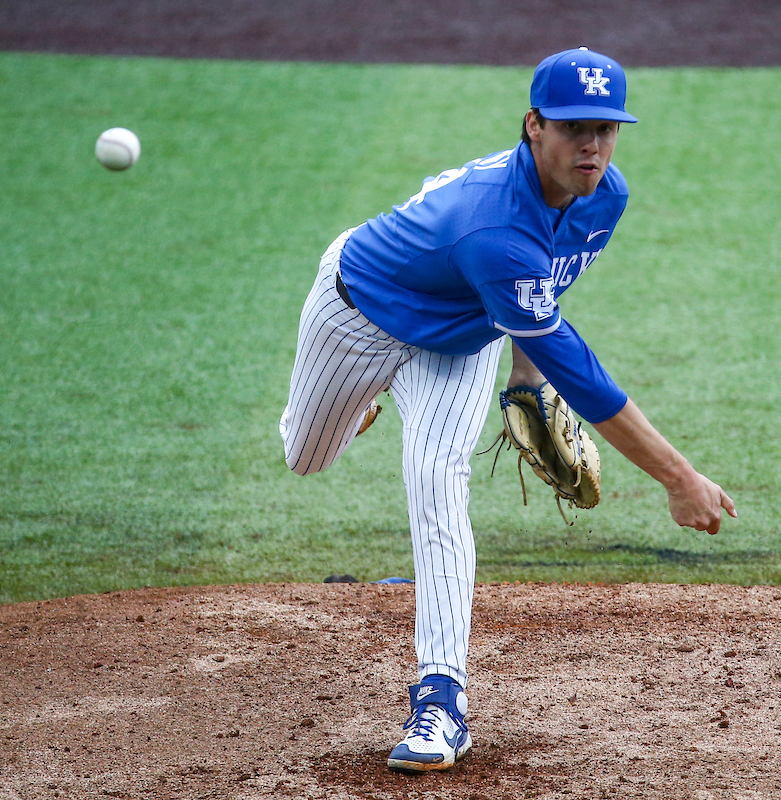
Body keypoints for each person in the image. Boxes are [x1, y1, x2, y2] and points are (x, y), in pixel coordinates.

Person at [279, 47, 737, 773]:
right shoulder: (491, 229)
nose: (593, 146)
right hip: (359, 311)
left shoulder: (604, 197)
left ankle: (440, 703)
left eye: (608, 129)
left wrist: (524, 374)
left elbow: (546, 300)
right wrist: (678, 478)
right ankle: (367, 399)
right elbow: (583, 377)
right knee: (305, 457)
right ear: (534, 125)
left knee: (437, 478)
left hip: (459, 344)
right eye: (574, 128)